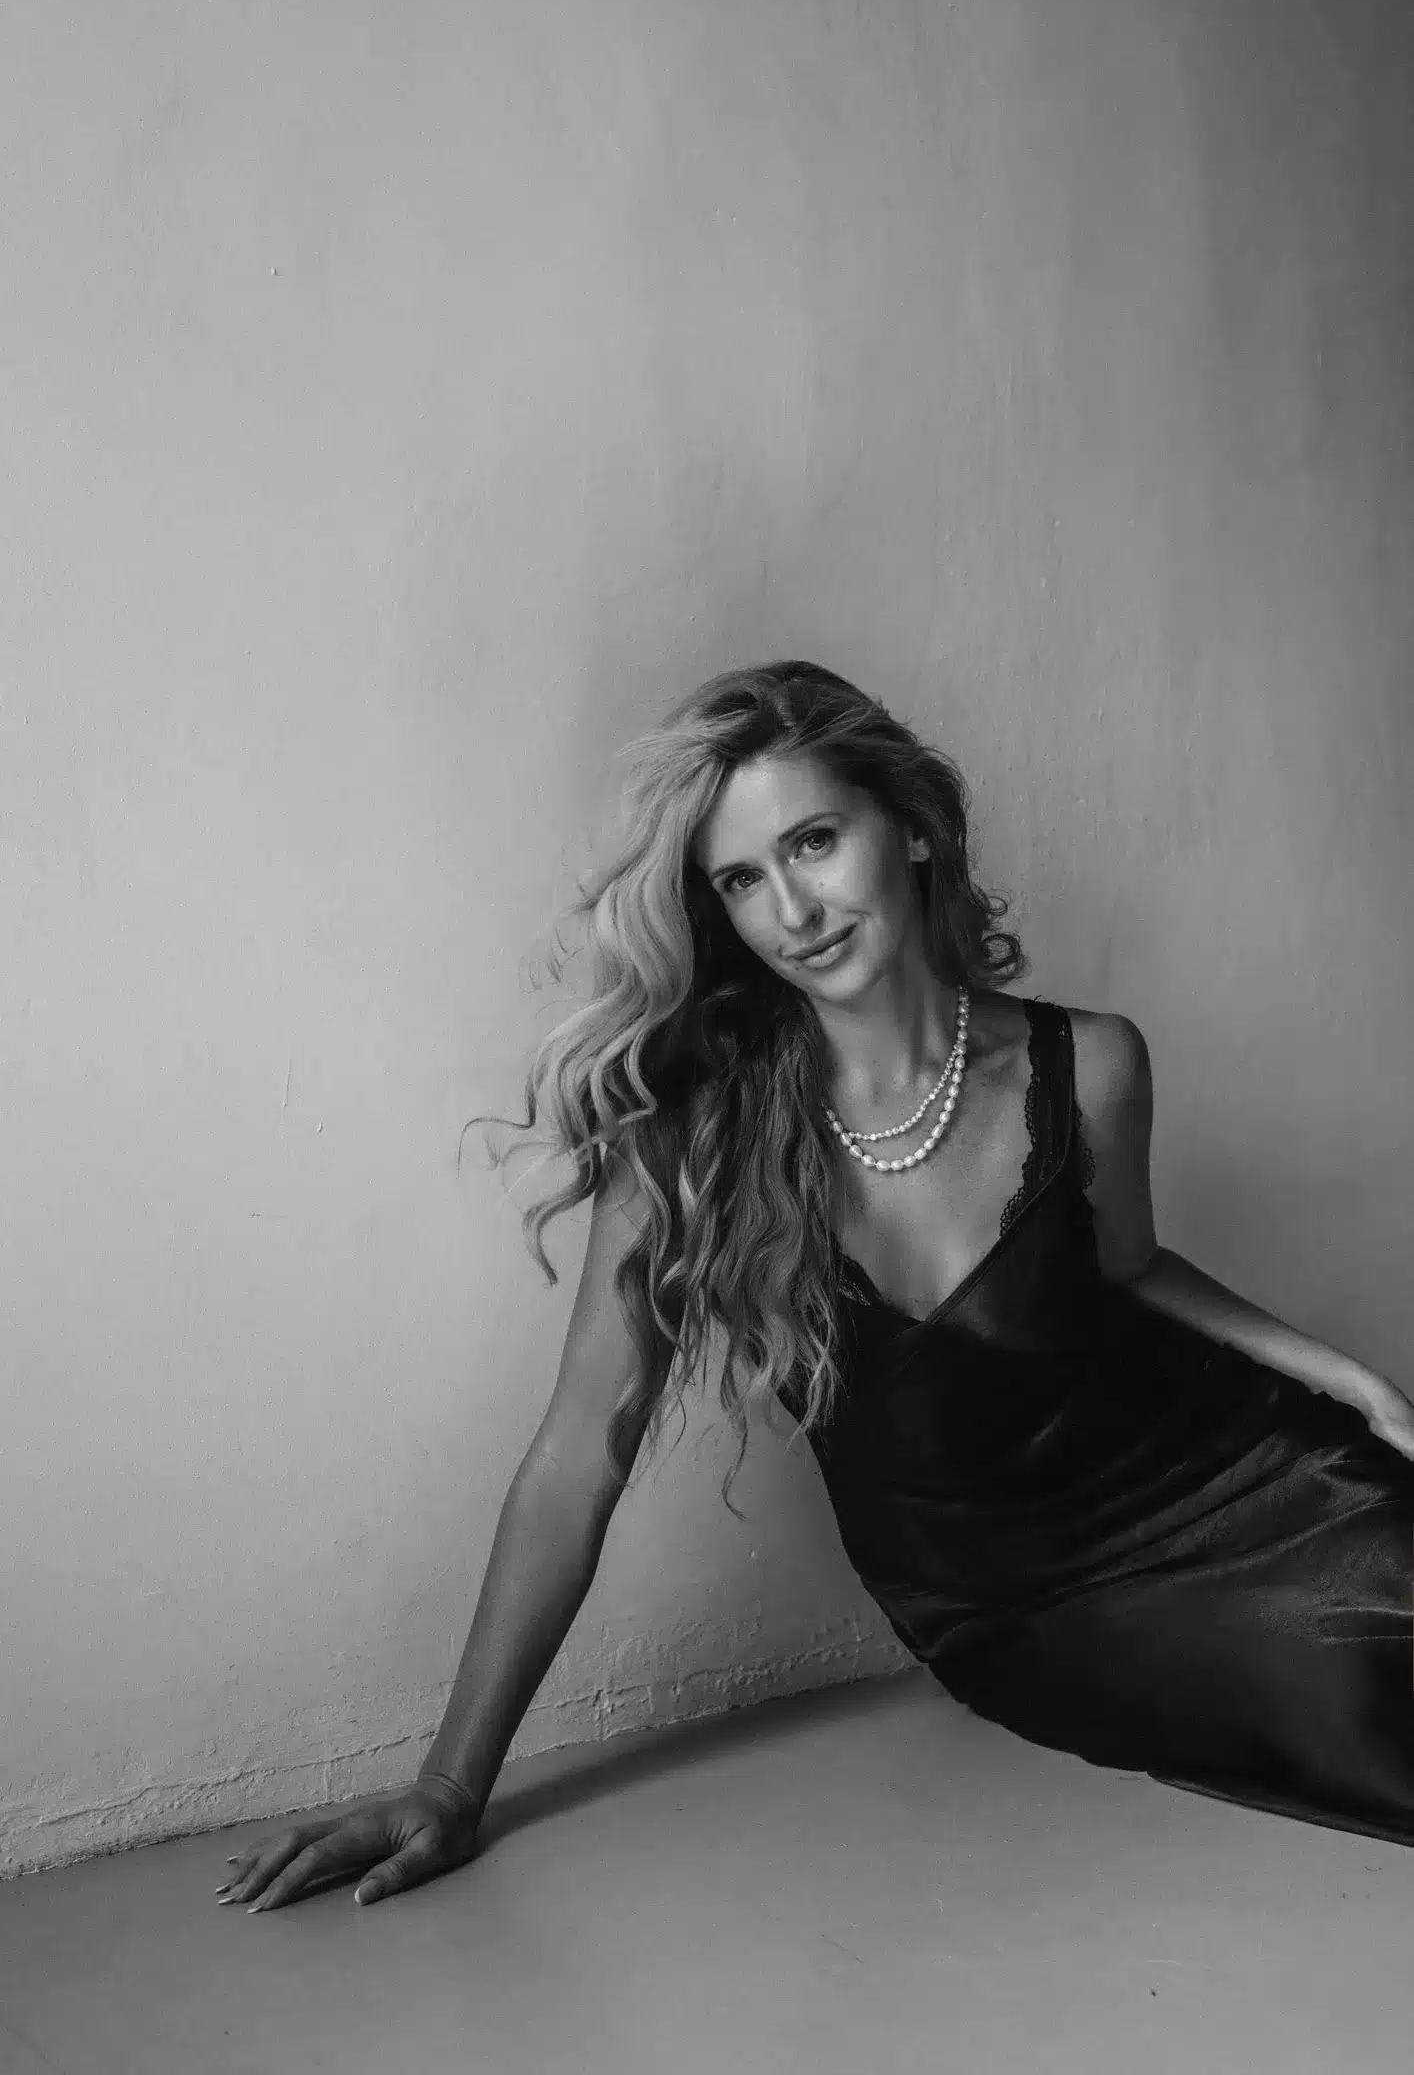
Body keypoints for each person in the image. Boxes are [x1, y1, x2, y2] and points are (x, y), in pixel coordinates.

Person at [216, 659, 1414, 1916]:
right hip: (1023, 1607)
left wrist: (1342, 1376)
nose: (793, 907)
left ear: (910, 827)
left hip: (1245, 1477)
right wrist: (449, 1784)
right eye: (742, 878)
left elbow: (1127, 1269)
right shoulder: (694, 1147)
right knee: (1361, 1696)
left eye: (813, 840)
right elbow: (579, 1456)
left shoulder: (1090, 1063)